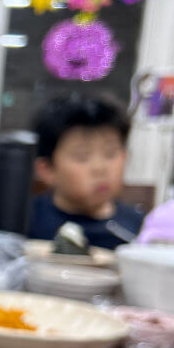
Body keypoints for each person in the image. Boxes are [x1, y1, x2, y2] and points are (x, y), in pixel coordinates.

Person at [28, 94, 144, 249]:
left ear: (124, 157)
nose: (100, 168)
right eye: (82, 156)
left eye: (110, 154)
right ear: (47, 169)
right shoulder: (26, 222)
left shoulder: (140, 231)